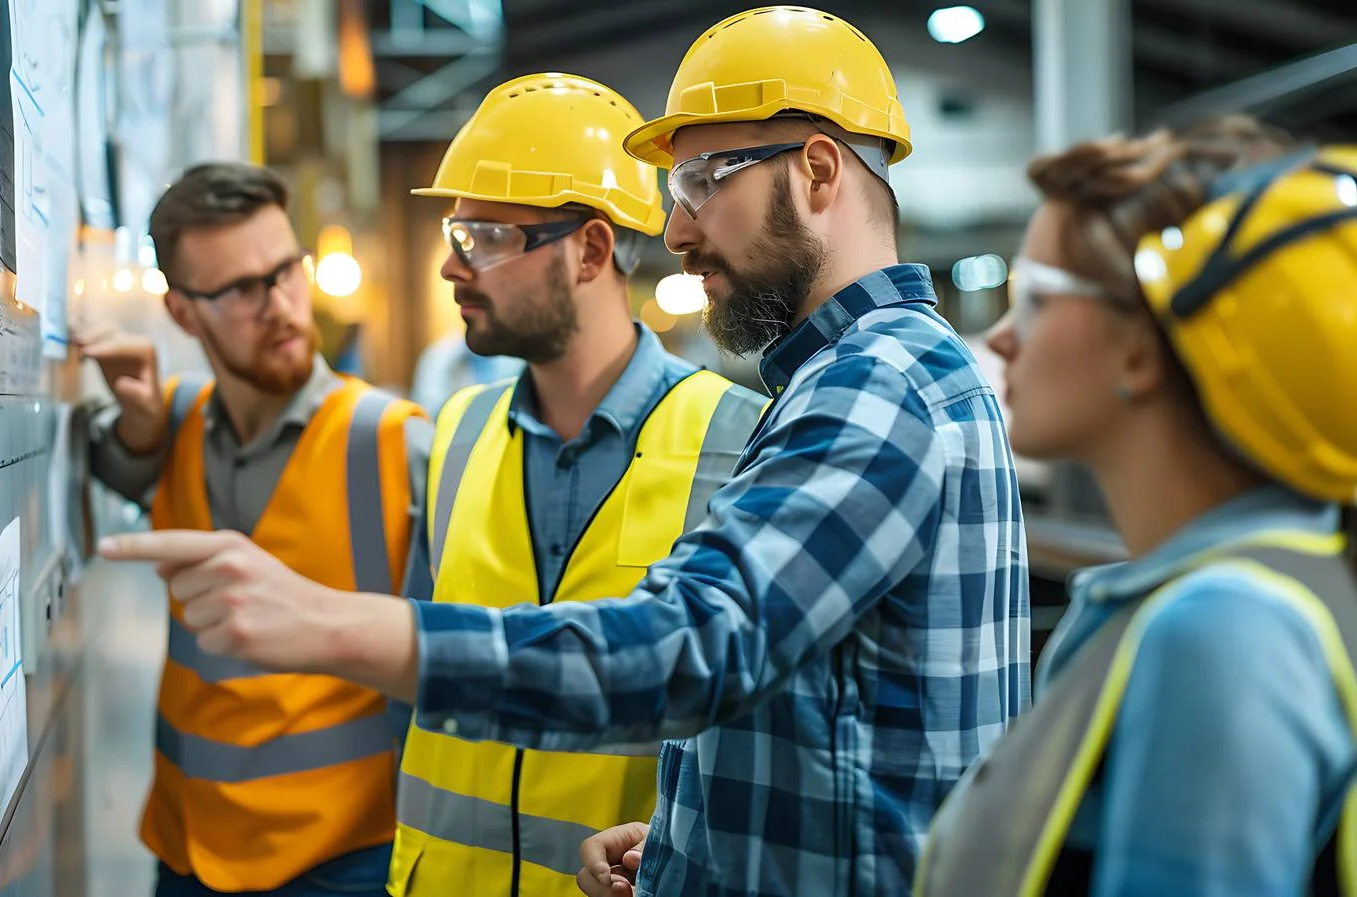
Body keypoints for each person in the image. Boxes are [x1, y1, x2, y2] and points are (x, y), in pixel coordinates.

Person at [99, 8, 1031, 896]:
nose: (676, 232)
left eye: (704, 182)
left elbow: (694, 643)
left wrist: (331, 626)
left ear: (819, 172)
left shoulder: (871, 388)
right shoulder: (842, 384)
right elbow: (818, 710)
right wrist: (686, 838)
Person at [915, 123, 1357, 895]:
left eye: (1036, 296)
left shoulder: (1223, 631)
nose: (1002, 336)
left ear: (1141, 345)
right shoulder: (1256, 590)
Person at [389, 72, 767, 897]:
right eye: (455, 234)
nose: (453, 266)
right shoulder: (455, 431)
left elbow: (749, 734)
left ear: (591, 250)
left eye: (485, 237)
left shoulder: (740, 442)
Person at [80, 162, 431, 897]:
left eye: (286, 271)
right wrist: (137, 431)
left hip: (344, 858)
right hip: (187, 849)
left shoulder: (395, 441)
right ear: (184, 313)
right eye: (243, 289)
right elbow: (116, 464)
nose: (280, 306)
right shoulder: (173, 421)